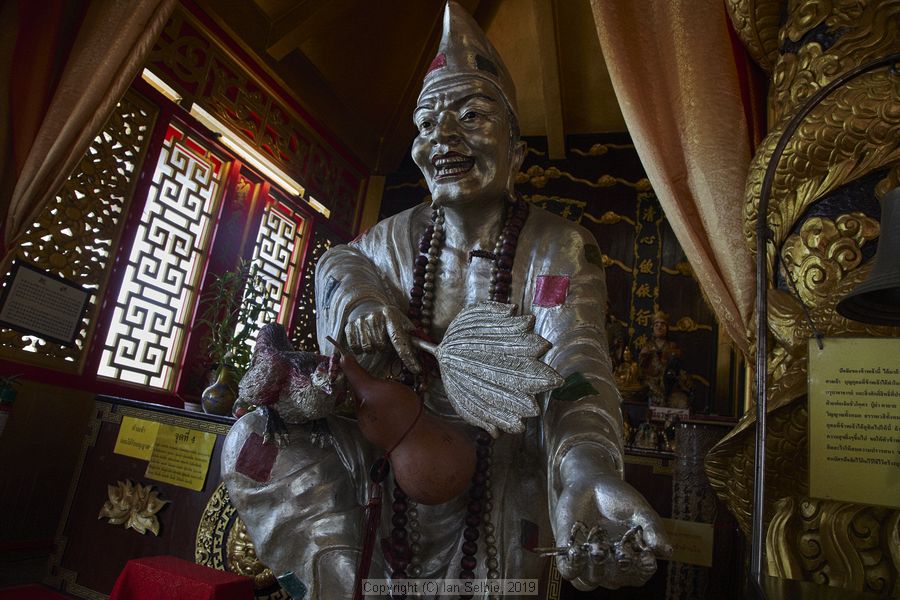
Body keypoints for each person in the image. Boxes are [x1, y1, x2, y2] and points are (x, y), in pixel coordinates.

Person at [222, 3, 669, 598]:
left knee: (508, 537)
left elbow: (575, 370)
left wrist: (586, 467)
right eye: (427, 122)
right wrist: (357, 307)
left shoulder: (557, 248)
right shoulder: (394, 237)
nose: (443, 138)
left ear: (516, 151)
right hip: (387, 452)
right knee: (253, 440)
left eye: (472, 115)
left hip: (502, 467)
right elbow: (339, 261)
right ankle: (336, 583)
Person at [638, 311, 693, 409]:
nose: (660, 327)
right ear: (653, 328)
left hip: (670, 385)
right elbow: (641, 370)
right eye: (656, 324)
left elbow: (677, 369)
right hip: (651, 384)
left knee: (681, 402)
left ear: (667, 328)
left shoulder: (672, 346)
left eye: (663, 324)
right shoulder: (647, 347)